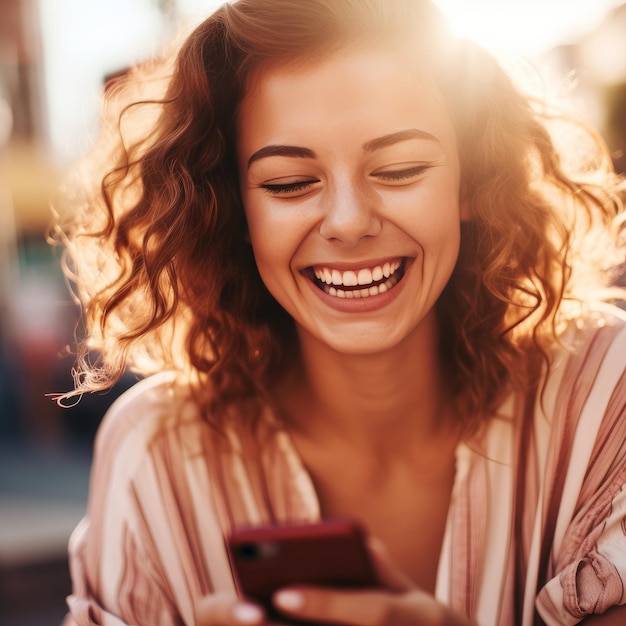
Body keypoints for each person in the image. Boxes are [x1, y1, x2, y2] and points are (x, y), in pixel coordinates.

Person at [50, 0, 626, 624]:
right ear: (233, 209)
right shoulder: (153, 457)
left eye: (400, 169)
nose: (349, 223)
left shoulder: (603, 399)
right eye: (288, 183)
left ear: (471, 180)